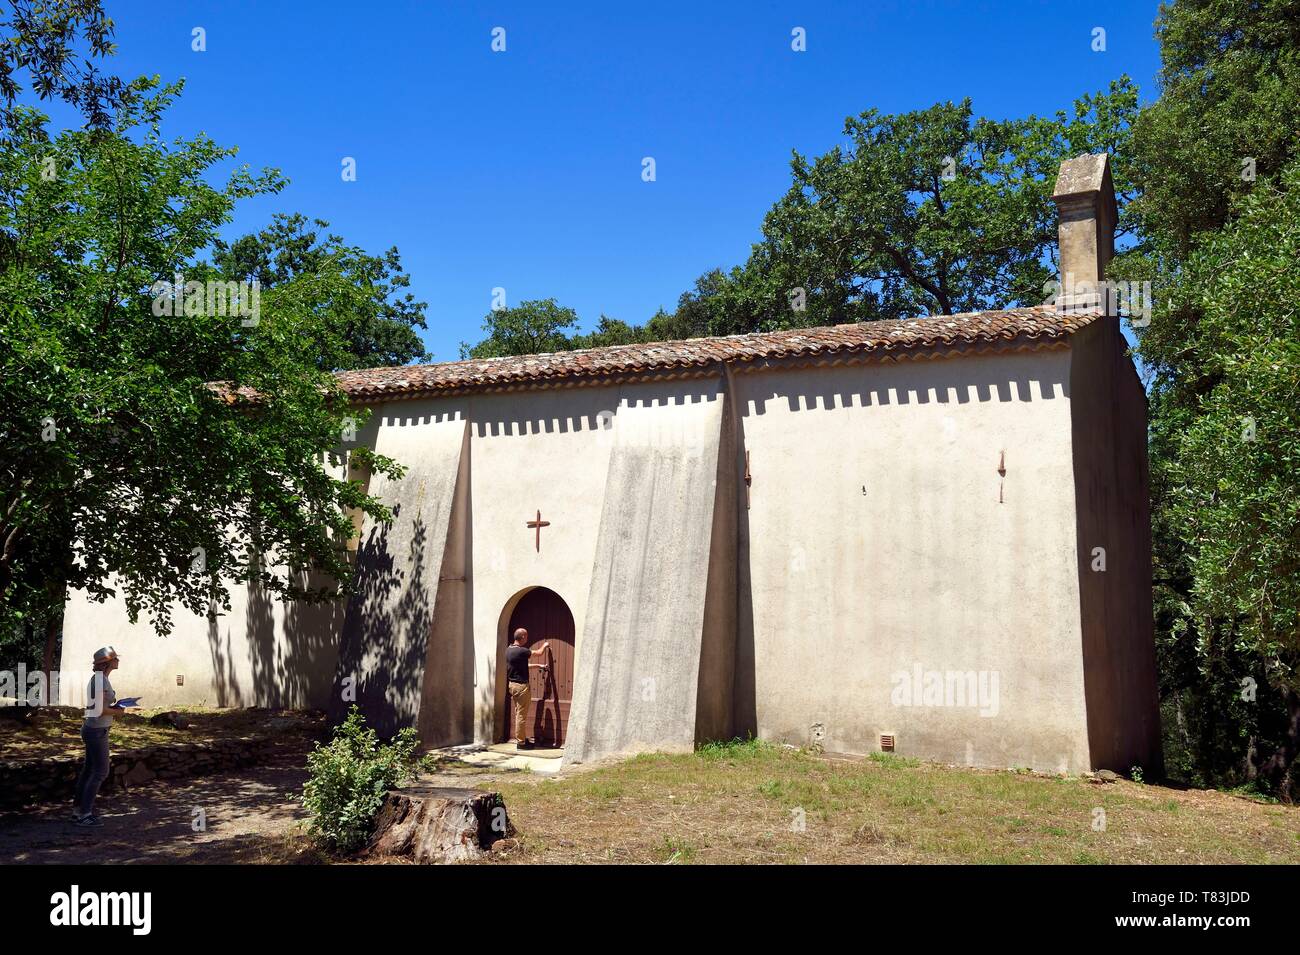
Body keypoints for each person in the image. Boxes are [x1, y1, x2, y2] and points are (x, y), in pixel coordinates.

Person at [73, 646, 127, 827]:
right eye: (115, 658)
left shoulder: (101, 679)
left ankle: (78, 811)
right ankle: (84, 814)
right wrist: (118, 712)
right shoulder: (100, 681)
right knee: (100, 772)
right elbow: (99, 710)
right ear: (108, 662)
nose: (118, 660)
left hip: (94, 728)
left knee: (89, 770)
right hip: (97, 730)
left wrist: (115, 708)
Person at [506, 628, 550, 749]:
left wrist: (538, 666)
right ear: (523, 637)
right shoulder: (522, 651)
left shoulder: (509, 650)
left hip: (512, 685)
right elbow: (539, 653)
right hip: (521, 687)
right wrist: (545, 645)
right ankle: (521, 743)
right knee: (521, 715)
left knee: (518, 713)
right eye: (527, 636)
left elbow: (524, 665)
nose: (527, 638)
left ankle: (521, 738)